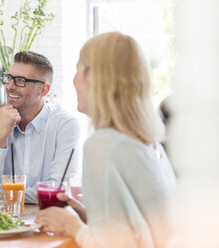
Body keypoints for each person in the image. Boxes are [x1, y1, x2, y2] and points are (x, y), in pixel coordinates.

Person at [35, 32, 177, 247]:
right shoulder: (150, 143)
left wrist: (72, 225)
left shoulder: (103, 145)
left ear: (94, 77)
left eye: (77, 69)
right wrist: (88, 216)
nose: (74, 80)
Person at [0, 51, 80, 203]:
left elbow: (58, 189)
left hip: (49, 220)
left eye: (20, 80)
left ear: (44, 90)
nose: (10, 86)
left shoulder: (64, 126)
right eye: (9, 78)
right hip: (2, 223)